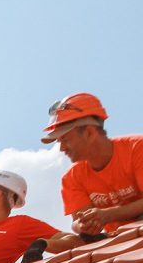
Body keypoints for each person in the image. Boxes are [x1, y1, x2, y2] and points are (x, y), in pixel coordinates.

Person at [41, 92, 143, 242]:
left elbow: (106, 215)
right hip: (122, 244)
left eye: (65, 139)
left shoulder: (137, 148)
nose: (62, 148)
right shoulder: (72, 178)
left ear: (89, 132)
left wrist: (108, 215)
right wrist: (84, 224)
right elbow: (77, 221)